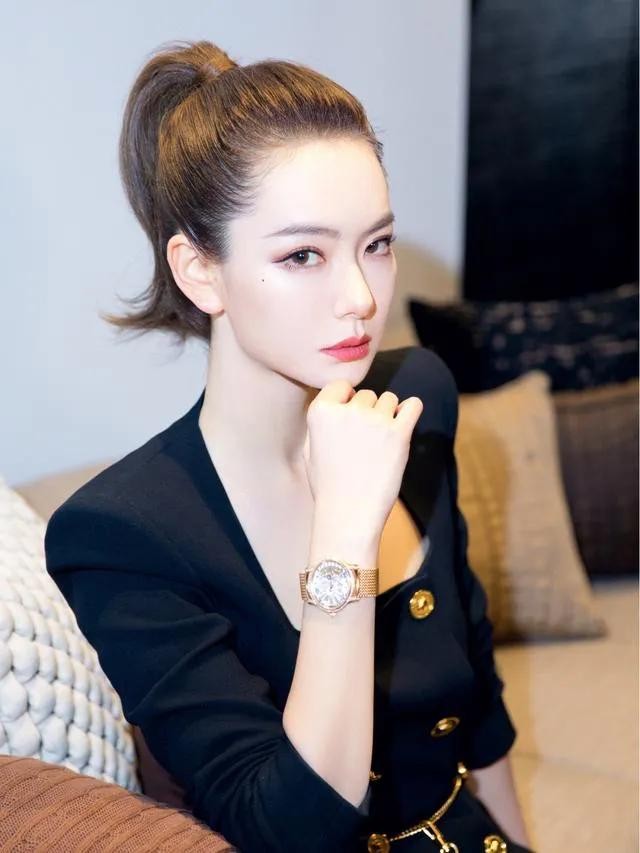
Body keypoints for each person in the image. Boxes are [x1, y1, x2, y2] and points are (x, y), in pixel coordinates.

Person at [44, 40, 535, 852]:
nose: (361, 296)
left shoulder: (413, 397)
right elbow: (291, 827)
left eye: (377, 244)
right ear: (200, 272)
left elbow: (479, 709)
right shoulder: (121, 534)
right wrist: (344, 533)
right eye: (304, 254)